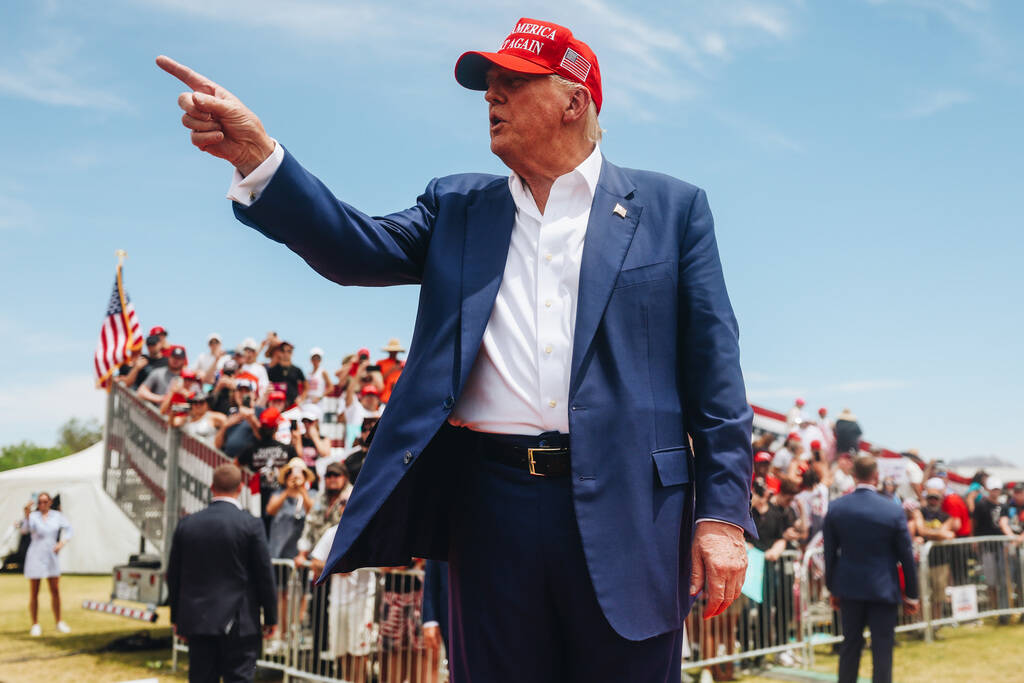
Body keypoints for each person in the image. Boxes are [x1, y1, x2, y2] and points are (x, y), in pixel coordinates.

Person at [159, 17, 754, 682]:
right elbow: (352, 246)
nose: (491, 98)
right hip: (491, 510)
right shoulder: (458, 206)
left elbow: (716, 380)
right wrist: (259, 157)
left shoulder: (674, 210)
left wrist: (723, 514)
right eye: (488, 87)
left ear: (575, 101)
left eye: (511, 84)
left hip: (634, 513)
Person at [166, 464, 277, 683]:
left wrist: (176, 616)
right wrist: (271, 616)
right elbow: (264, 573)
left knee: (201, 678)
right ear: (241, 488)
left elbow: (174, 574)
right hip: (241, 620)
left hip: (199, 620)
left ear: (211, 487)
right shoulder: (251, 524)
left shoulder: (187, 524)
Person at [823, 455, 919, 683]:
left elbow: (829, 554)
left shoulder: (836, 508)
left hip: (849, 587)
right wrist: (912, 594)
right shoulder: (893, 511)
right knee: (882, 648)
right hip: (883, 587)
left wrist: (832, 588)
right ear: (876, 476)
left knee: (850, 646)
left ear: (854, 475)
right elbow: (907, 556)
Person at [21, 493, 73, 636]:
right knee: (34, 592)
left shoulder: (57, 515)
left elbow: (69, 530)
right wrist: (26, 514)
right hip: (36, 555)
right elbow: (24, 530)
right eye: (40, 502)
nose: (42, 505)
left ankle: (59, 621)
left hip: (51, 555)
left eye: (45, 502)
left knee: (55, 590)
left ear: (50, 502)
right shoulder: (33, 517)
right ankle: (35, 624)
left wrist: (61, 543)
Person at [376, 338, 406, 404]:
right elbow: (377, 381)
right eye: (392, 350)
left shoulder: (404, 364)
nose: (394, 352)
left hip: (400, 398)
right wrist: (392, 370)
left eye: (395, 351)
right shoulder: (380, 363)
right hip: (384, 398)